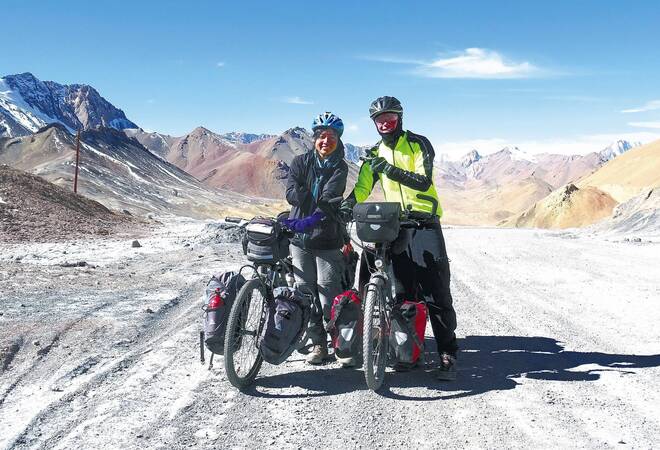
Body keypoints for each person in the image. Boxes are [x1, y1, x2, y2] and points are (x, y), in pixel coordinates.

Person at [340, 96, 458, 380]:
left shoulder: (418, 143)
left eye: (390, 117)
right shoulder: (374, 154)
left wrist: (386, 168)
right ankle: (408, 352)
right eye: (379, 119)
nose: (384, 123)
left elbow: (423, 180)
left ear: (400, 118)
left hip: (425, 223)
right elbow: (363, 186)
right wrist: (348, 204)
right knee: (404, 292)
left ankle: (447, 353)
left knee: (436, 292)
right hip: (396, 226)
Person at [281, 112, 349, 365]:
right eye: (321, 136)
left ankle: (340, 343)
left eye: (331, 137)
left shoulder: (340, 166)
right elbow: (291, 194)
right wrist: (316, 203)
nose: (325, 141)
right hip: (299, 239)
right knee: (305, 293)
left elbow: (331, 198)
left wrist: (311, 200)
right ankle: (318, 344)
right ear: (314, 138)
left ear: (337, 139)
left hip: (328, 239)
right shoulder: (300, 161)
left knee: (329, 294)